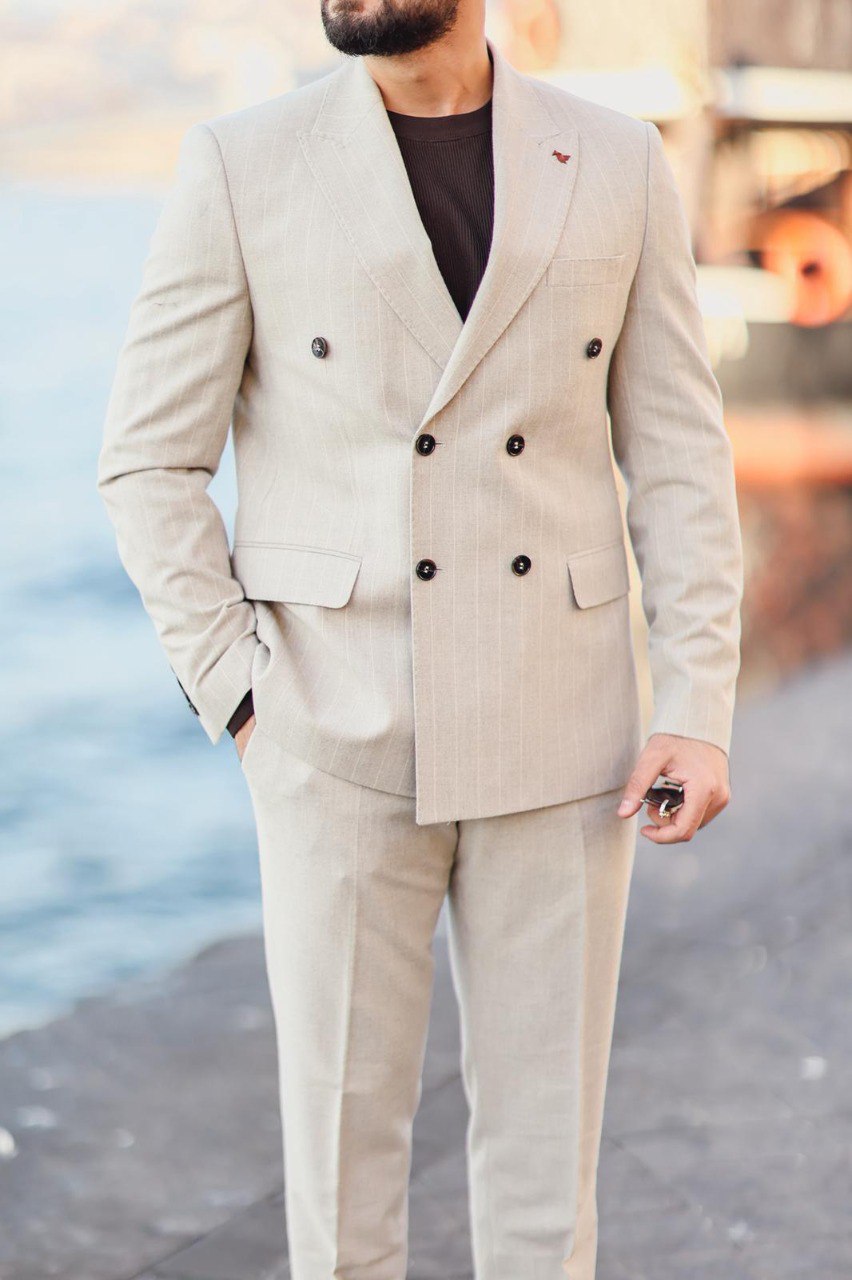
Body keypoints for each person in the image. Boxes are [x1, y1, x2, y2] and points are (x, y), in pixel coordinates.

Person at [97, 2, 744, 1276]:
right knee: (342, 1186)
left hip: (565, 733)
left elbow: (676, 452)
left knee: (545, 1188)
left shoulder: (616, 160)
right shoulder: (241, 162)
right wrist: (240, 694)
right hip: (331, 731)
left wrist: (700, 700)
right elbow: (147, 462)